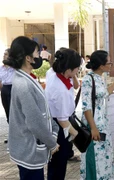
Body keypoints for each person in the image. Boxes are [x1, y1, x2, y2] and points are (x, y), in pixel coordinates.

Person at [5, 36, 59, 180]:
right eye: (37, 52)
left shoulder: (25, 78)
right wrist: (52, 143)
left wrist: (53, 131)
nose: (39, 56)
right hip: (29, 150)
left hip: (28, 147)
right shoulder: (24, 84)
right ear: (28, 58)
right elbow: (35, 121)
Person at [80, 50, 114, 180]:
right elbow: (86, 106)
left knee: (104, 159)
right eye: (109, 62)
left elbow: (105, 93)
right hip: (93, 126)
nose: (111, 65)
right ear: (101, 65)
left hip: (102, 125)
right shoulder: (88, 80)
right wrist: (93, 128)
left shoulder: (99, 78)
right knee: (94, 159)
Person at [45, 48, 81, 180]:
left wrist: (73, 72)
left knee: (56, 163)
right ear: (69, 68)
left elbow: (76, 86)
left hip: (60, 121)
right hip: (60, 126)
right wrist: (76, 134)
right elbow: (62, 120)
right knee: (59, 163)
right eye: (77, 68)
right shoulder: (60, 89)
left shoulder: (55, 73)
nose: (79, 70)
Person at [0, 48, 15, 143]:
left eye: (6, 54)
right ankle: (11, 135)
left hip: (13, 88)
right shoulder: (1, 68)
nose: (3, 56)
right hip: (4, 89)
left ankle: (16, 135)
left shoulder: (14, 68)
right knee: (8, 112)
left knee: (14, 113)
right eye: (3, 54)